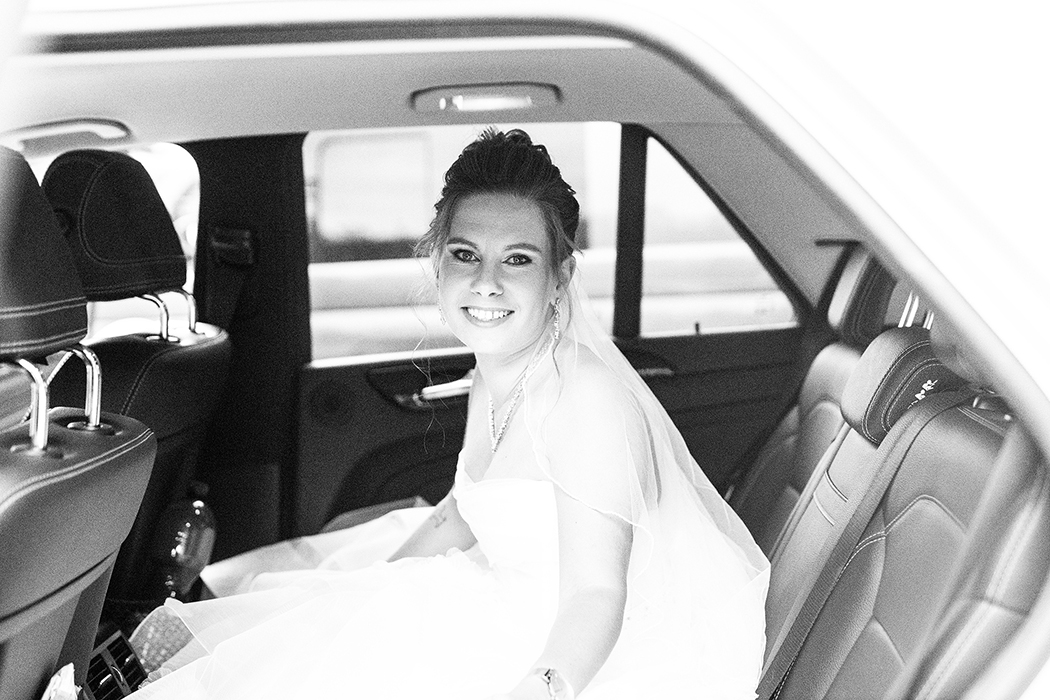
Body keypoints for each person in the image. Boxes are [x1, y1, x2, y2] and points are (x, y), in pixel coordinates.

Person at [127, 128, 769, 699]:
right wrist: (358, 591)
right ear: (438, 268)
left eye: (517, 259)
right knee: (295, 632)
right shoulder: (491, 373)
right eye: (465, 255)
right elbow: (460, 510)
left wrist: (538, 690)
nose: (486, 281)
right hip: (499, 602)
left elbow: (597, 594)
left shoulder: (586, 398)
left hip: (575, 646)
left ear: (560, 277)